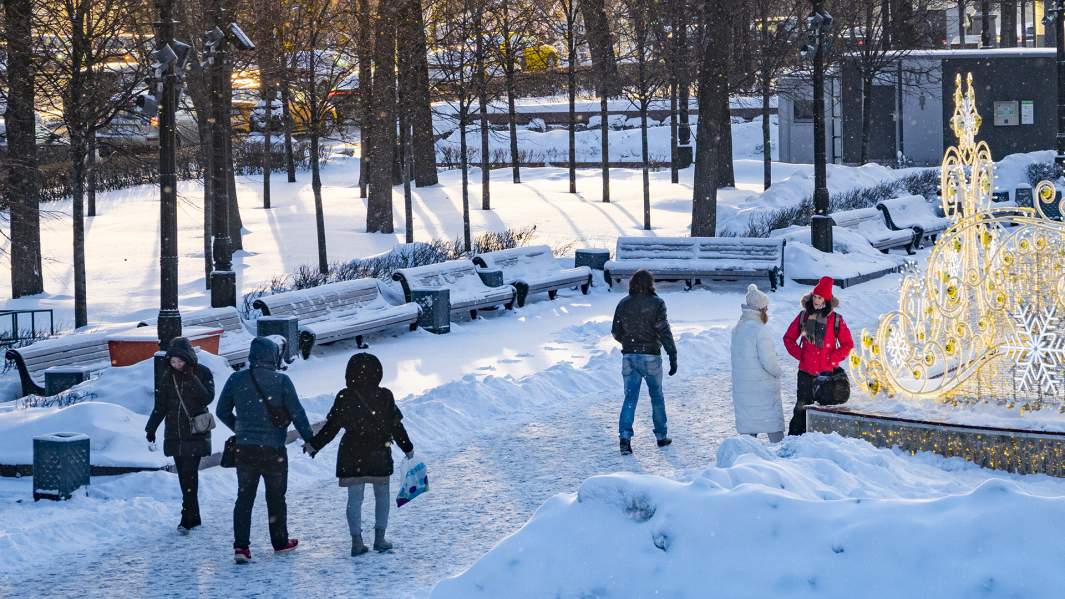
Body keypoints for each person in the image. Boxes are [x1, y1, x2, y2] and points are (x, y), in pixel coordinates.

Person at [216, 336, 316, 564]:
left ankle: (241, 547)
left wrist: (241, 429)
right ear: (273, 356)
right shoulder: (282, 381)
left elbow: (221, 411)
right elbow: (297, 413)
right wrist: (310, 440)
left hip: (245, 449)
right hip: (274, 450)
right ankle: (280, 542)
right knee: (276, 497)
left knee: (244, 498)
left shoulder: (236, 379)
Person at [305, 353, 414, 557]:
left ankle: (356, 541)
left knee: (354, 499)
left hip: (351, 453)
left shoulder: (345, 396)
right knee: (382, 496)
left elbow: (332, 427)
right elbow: (396, 426)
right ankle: (380, 538)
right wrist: (408, 448)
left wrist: (314, 445)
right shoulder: (385, 395)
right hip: (378, 453)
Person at [145, 337, 215, 534]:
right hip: (174, 433)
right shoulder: (168, 376)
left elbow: (207, 397)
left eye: (179, 361)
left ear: (188, 358)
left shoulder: (202, 372)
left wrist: (192, 378)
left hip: (195, 432)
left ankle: (186, 518)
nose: (176, 365)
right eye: (173, 362)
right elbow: (161, 406)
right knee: (184, 476)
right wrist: (151, 428)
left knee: (189, 474)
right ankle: (194, 516)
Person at [611, 269, 678, 455]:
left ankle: (624, 437)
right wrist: (672, 355)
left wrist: (629, 342)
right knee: (656, 396)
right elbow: (664, 331)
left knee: (630, 397)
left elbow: (616, 332)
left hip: (629, 357)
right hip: (651, 356)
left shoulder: (623, 303)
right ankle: (661, 436)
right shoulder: (657, 304)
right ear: (651, 284)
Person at [782, 276, 854, 435]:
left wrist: (832, 359)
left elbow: (848, 344)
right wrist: (801, 355)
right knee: (801, 411)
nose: (816, 300)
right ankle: (793, 443)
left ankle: (820, 446)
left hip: (826, 376)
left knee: (824, 413)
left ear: (826, 299)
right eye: (815, 296)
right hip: (806, 373)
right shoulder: (803, 316)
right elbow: (788, 339)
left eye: (820, 297)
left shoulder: (836, 320)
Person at [730, 284, 785, 443]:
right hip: (763, 390)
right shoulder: (760, 330)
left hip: (744, 389)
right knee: (775, 433)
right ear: (760, 310)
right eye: (766, 308)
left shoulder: (738, 328)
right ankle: (782, 461)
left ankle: (747, 461)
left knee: (748, 435)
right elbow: (769, 363)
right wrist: (779, 371)